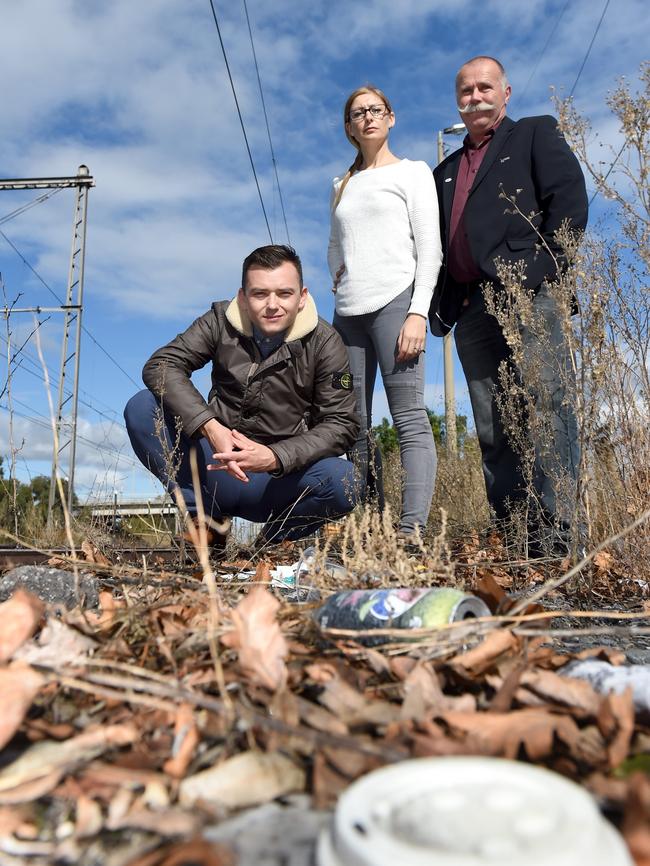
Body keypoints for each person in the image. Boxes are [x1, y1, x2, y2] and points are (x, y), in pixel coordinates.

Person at [429, 55, 588, 551]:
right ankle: (519, 540)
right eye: (465, 91)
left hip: (528, 296)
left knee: (547, 409)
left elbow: (569, 206)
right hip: (472, 308)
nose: (474, 97)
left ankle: (561, 542)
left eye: (484, 88)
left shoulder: (536, 133)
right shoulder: (446, 169)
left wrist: (539, 276)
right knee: (494, 425)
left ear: (505, 92)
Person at [124, 244, 360, 547]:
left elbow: (341, 424)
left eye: (284, 293)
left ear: (302, 297)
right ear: (243, 298)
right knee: (142, 406)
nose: (272, 305)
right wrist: (210, 427)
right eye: (260, 294)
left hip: (280, 481)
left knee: (346, 482)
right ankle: (206, 525)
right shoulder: (219, 320)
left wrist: (276, 456)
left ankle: (270, 547)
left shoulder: (326, 342)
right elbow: (162, 366)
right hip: (215, 467)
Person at [328, 85, 442, 539]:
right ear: (349, 127)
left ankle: (410, 532)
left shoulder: (413, 172)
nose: (368, 117)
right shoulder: (342, 184)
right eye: (359, 113)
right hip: (347, 315)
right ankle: (367, 526)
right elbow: (335, 243)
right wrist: (339, 272)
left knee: (408, 417)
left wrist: (418, 312)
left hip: (397, 302)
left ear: (391, 118)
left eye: (376, 110)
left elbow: (429, 248)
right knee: (351, 422)